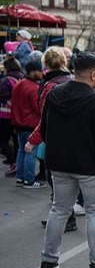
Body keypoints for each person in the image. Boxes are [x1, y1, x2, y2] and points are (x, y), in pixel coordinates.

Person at [38, 51, 95, 268]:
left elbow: (44, 128)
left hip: (59, 164)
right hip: (90, 168)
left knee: (58, 210)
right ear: (94, 74)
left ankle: (48, 261)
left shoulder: (54, 93)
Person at [10, 60, 45, 188]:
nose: (42, 73)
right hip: (30, 124)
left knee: (21, 151)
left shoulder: (19, 84)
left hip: (18, 123)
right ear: (33, 72)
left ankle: (20, 177)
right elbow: (38, 108)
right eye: (40, 71)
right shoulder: (34, 88)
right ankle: (29, 180)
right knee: (30, 152)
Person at [0, 57, 23, 176]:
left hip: (6, 113)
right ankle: (17, 163)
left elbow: (2, 97)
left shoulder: (7, 81)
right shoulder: (23, 78)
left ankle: (13, 162)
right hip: (20, 114)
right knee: (17, 141)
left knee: (2, 140)